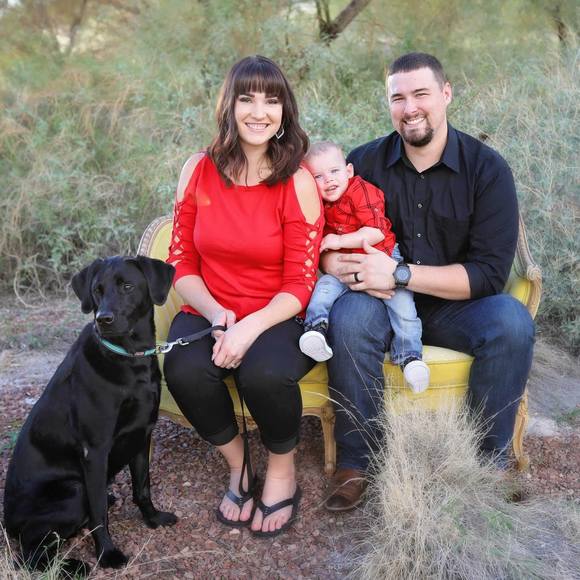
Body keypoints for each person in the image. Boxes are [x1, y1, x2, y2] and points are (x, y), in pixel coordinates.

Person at [321, 52, 535, 512]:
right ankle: (357, 462)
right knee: (348, 316)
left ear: (446, 94)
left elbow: (488, 275)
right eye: (398, 98)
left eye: (421, 94)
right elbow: (323, 235)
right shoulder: (362, 163)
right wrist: (333, 263)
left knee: (512, 320)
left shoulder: (488, 170)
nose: (410, 108)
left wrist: (401, 273)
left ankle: (490, 460)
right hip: (380, 303)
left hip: (456, 306)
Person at [163, 55, 323, 536]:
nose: (259, 112)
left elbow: (300, 283)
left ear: (284, 110)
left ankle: (282, 471)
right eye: (247, 99)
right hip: (210, 306)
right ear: (229, 106)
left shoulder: (297, 181)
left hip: (280, 314)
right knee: (184, 368)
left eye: (271, 101)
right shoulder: (197, 169)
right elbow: (180, 261)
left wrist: (250, 326)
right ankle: (239, 465)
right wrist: (217, 315)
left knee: (264, 372)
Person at [299, 141, 430, 393]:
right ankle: (315, 329)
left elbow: (376, 232)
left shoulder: (361, 190)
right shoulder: (318, 203)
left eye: (334, 171)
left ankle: (410, 356)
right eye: (318, 176)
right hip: (346, 262)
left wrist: (338, 241)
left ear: (348, 171)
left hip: (382, 258)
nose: (329, 180)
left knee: (403, 305)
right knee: (323, 289)